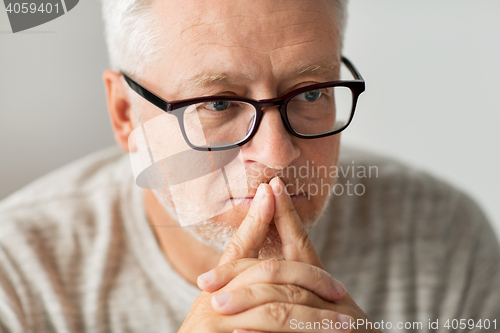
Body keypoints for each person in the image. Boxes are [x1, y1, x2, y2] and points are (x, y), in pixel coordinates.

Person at [0, 0, 499, 332]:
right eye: (218, 104)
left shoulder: (445, 239)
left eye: (311, 93)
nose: (278, 154)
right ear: (126, 114)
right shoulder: (18, 272)